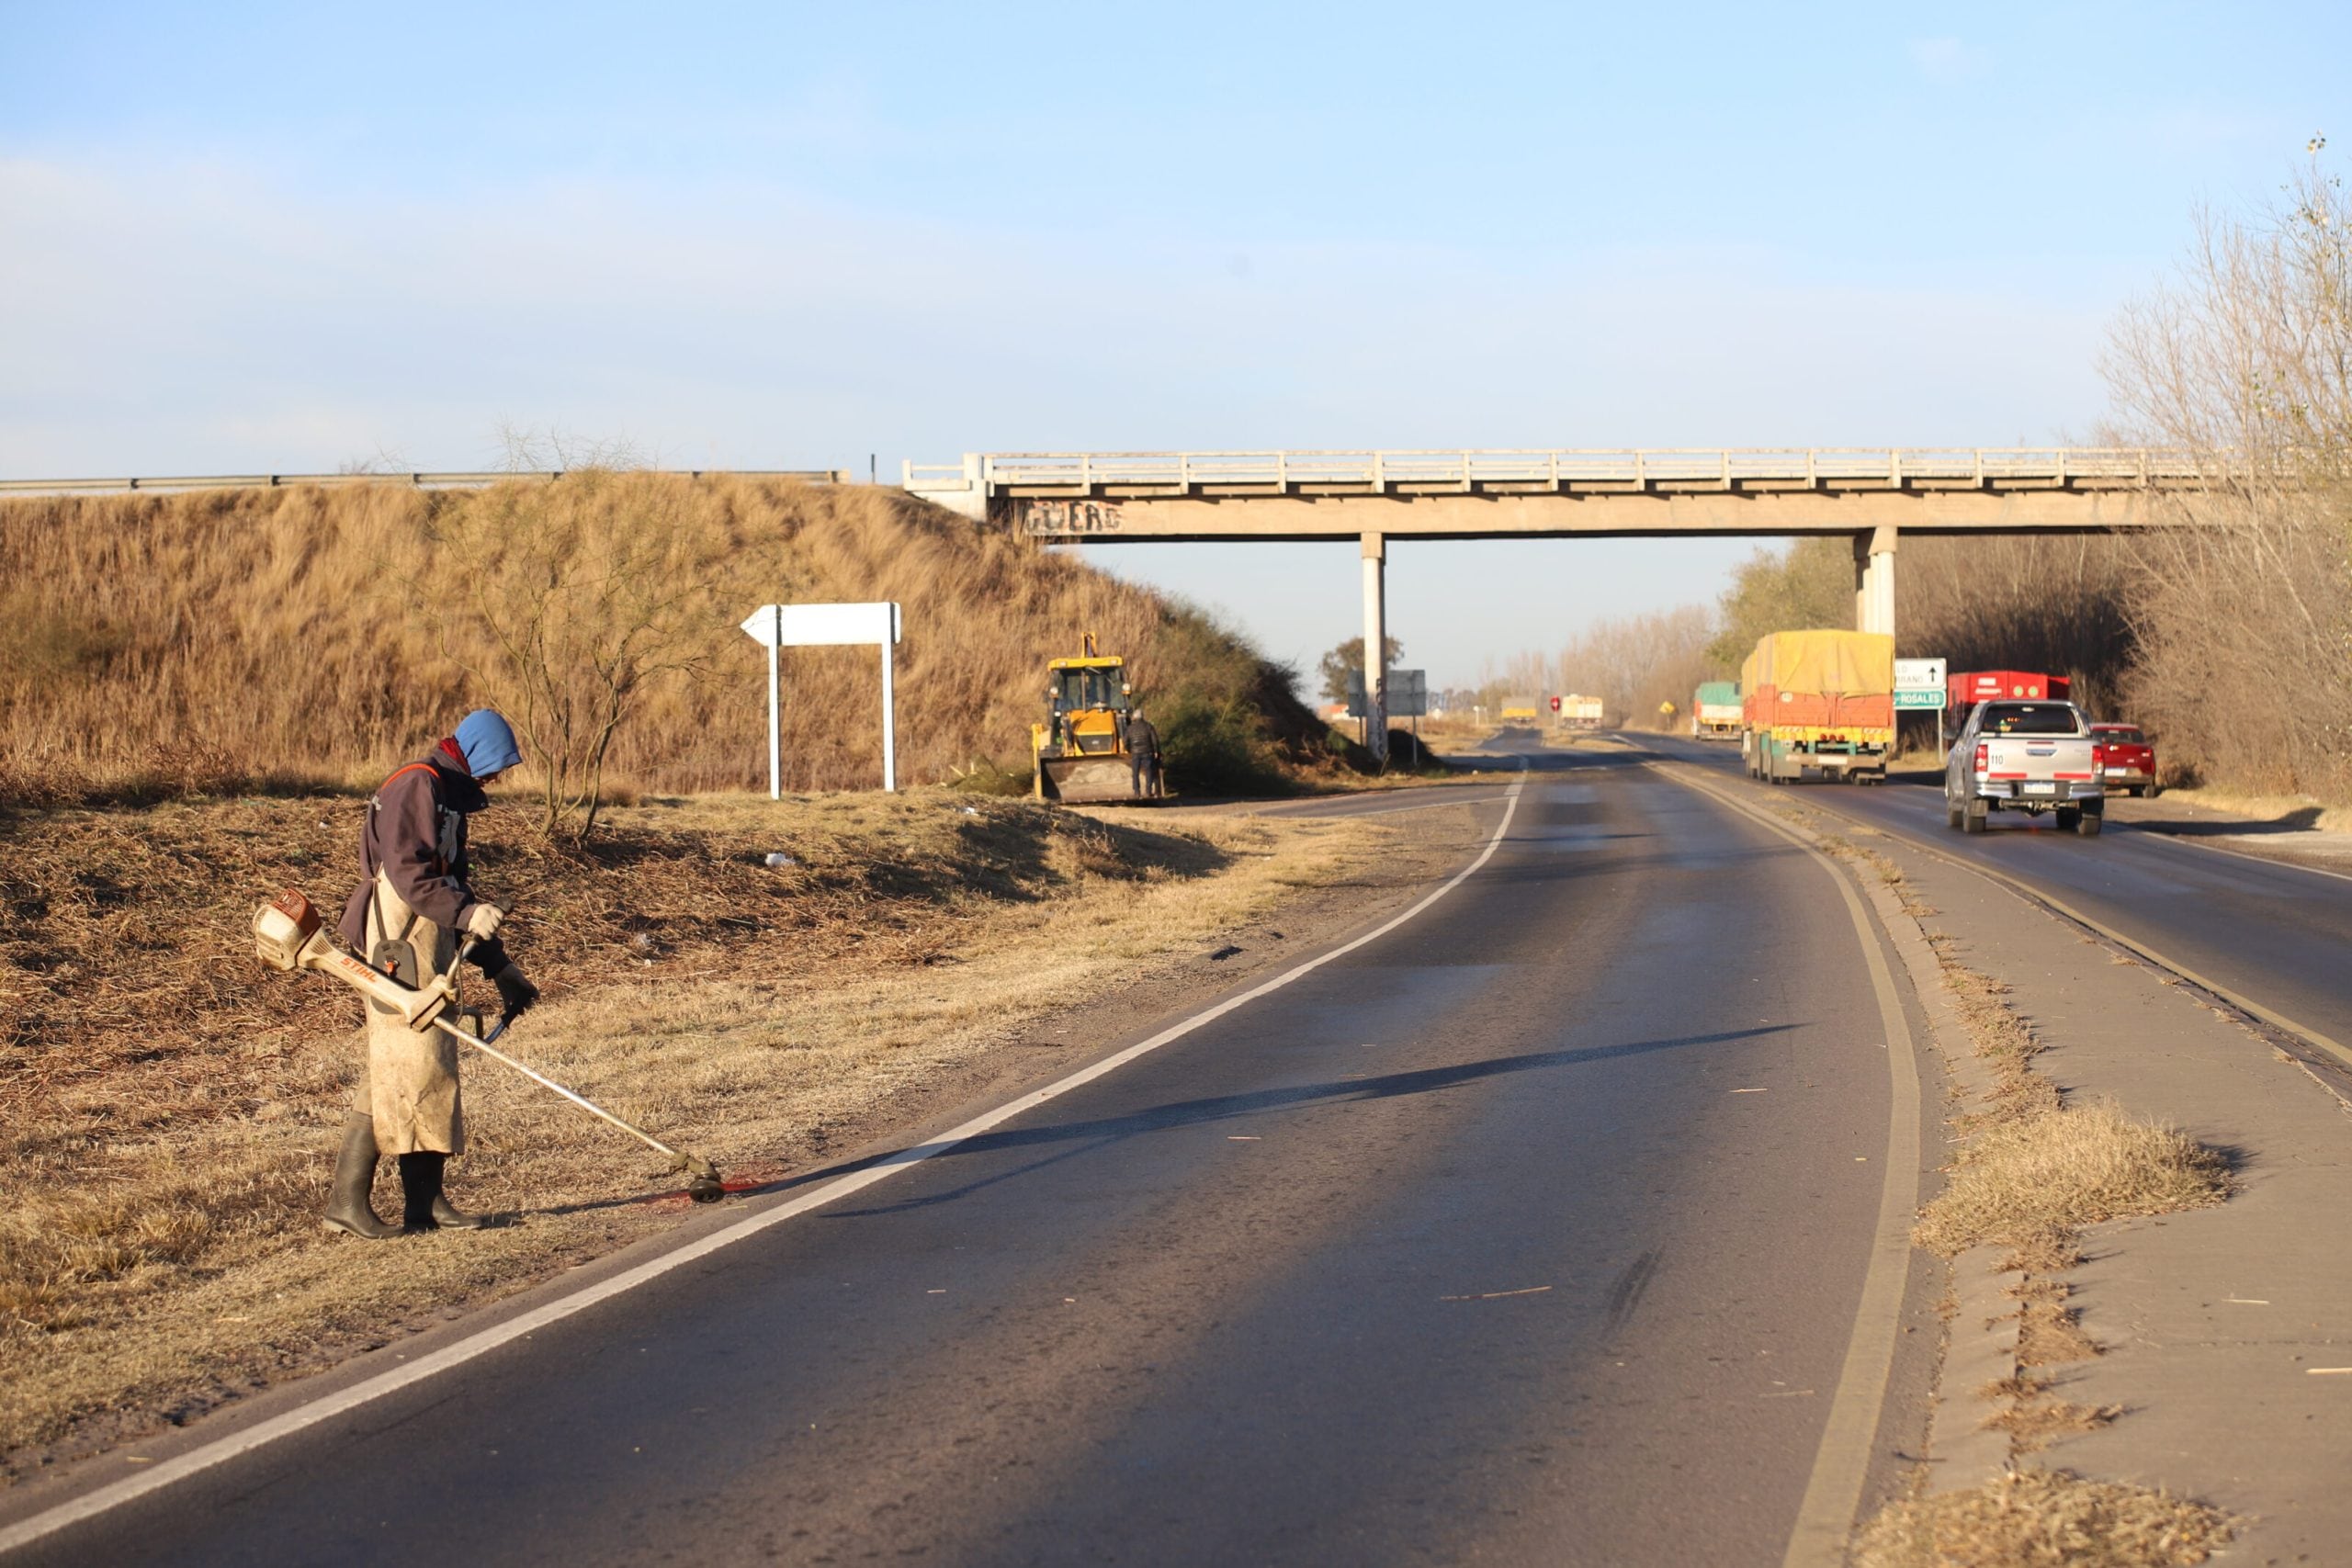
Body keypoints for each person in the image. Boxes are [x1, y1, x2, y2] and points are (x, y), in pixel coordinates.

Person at [322, 709, 539, 1239]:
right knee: (412, 1063)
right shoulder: (416, 785)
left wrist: (500, 966)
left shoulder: (447, 796)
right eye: (497, 765)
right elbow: (408, 872)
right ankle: (351, 1204)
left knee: (411, 1067)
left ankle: (422, 1204)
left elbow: (454, 888)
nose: (497, 777)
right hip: (397, 945)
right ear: (478, 752)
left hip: (431, 940)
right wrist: (466, 915)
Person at [1125, 705, 1162, 798]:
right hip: (1147, 752)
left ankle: (1137, 792)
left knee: (1135, 772)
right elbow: (1155, 740)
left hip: (1135, 753)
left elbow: (1125, 741)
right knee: (1148, 771)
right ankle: (1148, 791)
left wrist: (1130, 750)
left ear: (1134, 717)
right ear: (1142, 716)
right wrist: (1156, 750)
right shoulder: (1149, 726)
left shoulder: (1130, 728)